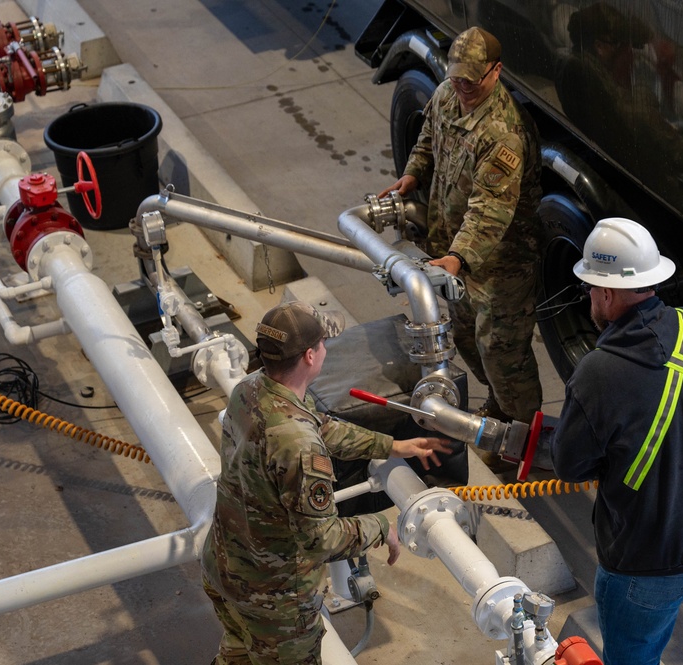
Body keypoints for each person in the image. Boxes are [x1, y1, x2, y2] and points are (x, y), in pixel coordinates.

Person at [550, 218, 683, 665]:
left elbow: (569, 466)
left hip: (649, 556)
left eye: (589, 288)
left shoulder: (598, 373)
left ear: (605, 293)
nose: (588, 296)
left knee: (635, 656)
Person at [201, 301, 451, 664]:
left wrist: (392, 445)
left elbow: (318, 424)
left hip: (224, 566)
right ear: (308, 356)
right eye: (322, 344)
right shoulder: (301, 449)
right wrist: (382, 527)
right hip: (273, 600)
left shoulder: (250, 389)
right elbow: (321, 539)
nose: (325, 350)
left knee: (237, 654)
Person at [379, 27, 544, 425]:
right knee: (466, 337)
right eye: (457, 77)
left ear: (496, 72)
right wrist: (413, 174)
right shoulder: (447, 96)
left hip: (501, 264)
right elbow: (426, 138)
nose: (463, 86)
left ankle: (522, 436)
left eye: (473, 79)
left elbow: (490, 211)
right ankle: (500, 407)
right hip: (456, 254)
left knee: (502, 352)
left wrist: (457, 257)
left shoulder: (504, 133)